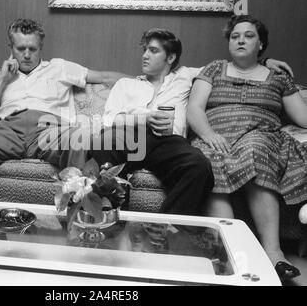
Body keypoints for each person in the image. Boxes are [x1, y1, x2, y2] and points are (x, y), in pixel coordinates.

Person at [90, 27, 293, 217]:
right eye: (145, 50)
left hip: (169, 142)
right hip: (129, 137)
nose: (145, 55)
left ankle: (164, 226)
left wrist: (264, 62)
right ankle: (113, 221)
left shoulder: (186, 76)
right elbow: (110, 119)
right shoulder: (125, 84)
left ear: (170, 57)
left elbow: (231, 67)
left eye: (153, 51)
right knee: (104, 142)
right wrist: (145, 118)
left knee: (199, 166)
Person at [0, 18, 127, 201]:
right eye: (20, 49)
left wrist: (145, 83)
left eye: (32, 49)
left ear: (40, 47)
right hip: (8, 132)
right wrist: (2, 79)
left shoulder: (59, 67)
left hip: (50, 131)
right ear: (10, 49)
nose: (27, 55)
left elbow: (104, 77)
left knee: (79, 138)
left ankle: (79, 211)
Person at [187, 14, 307, 280]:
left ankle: (274, 254)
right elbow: (194, 108)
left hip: (260, 135)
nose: (240, 40)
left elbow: (302, 116)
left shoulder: (278, 76)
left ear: (261, 44)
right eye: (235, 36)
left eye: (249, 35)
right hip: (215, 135)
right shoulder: (214, 69)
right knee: (207, 160)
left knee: (255, 150)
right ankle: (231, 252)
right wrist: (208, 134)